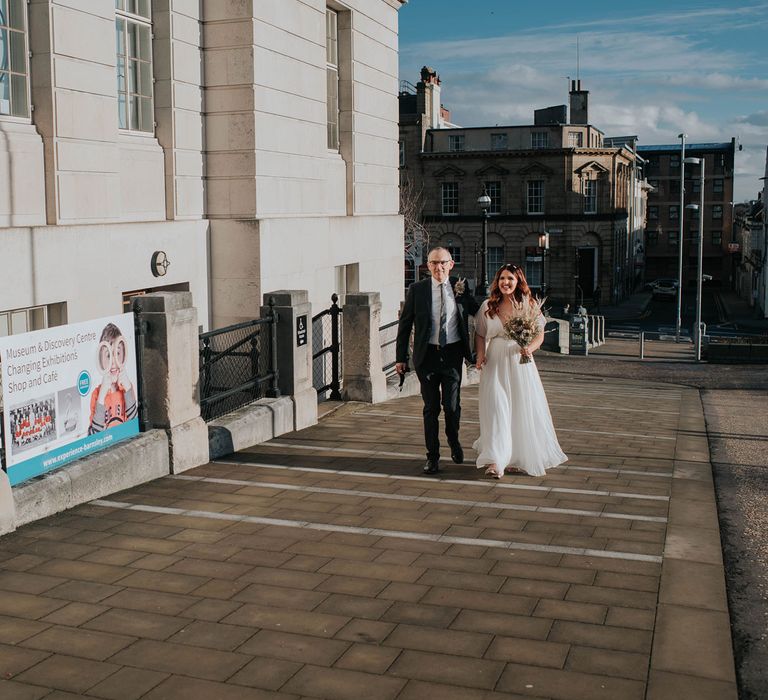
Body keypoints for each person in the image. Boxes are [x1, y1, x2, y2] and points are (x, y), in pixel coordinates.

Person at [473, 264, 566, 478]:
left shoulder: (529, 305)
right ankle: (497, 460)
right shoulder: (488, 305)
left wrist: (529, 348)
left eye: (510, 279)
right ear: (497, 281)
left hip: (520, 362)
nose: (505, 282)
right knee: (497, 409)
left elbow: (539, 336)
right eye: (502, 278)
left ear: (518, 282)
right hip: (495, 362)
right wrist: (480, 355)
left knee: (519, 409)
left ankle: (515, 457)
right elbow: (479, 333)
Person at [396, 247, 479, 474]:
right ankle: (432, 457)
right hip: (427, 357)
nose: (438, 267)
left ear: (451, 265)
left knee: (451, 407)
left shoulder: (460, 289)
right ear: (428, 266)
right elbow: (404, 326)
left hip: (452, 356)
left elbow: (480, 312)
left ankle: (453, 440)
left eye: (442, 263)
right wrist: (400, 358)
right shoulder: (417, 290)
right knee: (430, 408)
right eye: (433, 263)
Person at [88, 323, 137, 434]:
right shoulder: (96, 394)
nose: (114, 363)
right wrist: (102, 395)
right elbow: (94, 435)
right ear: (101, 359)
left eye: (118, 353)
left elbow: (134, 425)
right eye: (109, 355)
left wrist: (128, 388)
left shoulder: (126, 389)